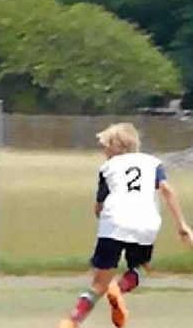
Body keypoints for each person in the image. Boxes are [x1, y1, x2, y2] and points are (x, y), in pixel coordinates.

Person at [58, 122, 193, 328]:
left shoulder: (108, 167)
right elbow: (167, 191)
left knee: (98, 284)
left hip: (114, 221)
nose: (103, 150)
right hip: (146, 222)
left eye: (106, 145)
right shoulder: (152, 163)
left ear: (117, 146)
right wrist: (182, 225)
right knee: (140, 268)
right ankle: (119, 289)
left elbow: (99, 206)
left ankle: (72, 321)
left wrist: (102, 219)